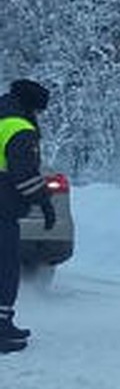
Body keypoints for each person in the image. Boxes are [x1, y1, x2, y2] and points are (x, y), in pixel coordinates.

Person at [0, 78, 55, 354]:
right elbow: (24, 176)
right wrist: (44, 203)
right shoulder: (19, 128)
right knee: (6, 270)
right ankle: (1, 328)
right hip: (2, 211)